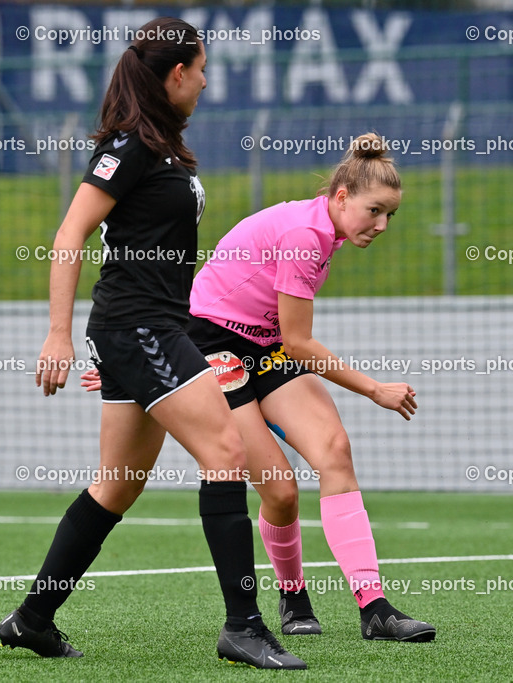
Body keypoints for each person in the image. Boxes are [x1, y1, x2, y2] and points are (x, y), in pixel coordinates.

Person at [0, 18, 306, 670]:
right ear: (175, 73)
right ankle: (244, 624)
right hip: (137, 327)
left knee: (118, 483)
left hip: (148, 326)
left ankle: (32, 618)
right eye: (200, 68)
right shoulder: (131, 145)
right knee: (225, 451)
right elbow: (69, 234)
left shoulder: (161, 148)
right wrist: (58, 333)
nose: (204, 79)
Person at [82, 133, 435, 642]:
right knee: (281, 488)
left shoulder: (323, 230)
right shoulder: (304, 235)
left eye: (390, 216)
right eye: (374, 211)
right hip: (211, 345)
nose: (381, 225)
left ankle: (375, 608)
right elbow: (300, 343)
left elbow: (282, 341)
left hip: (264, 347)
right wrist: (374, 389)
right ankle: (293, 597)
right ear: (340, 198)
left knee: (334, 450)